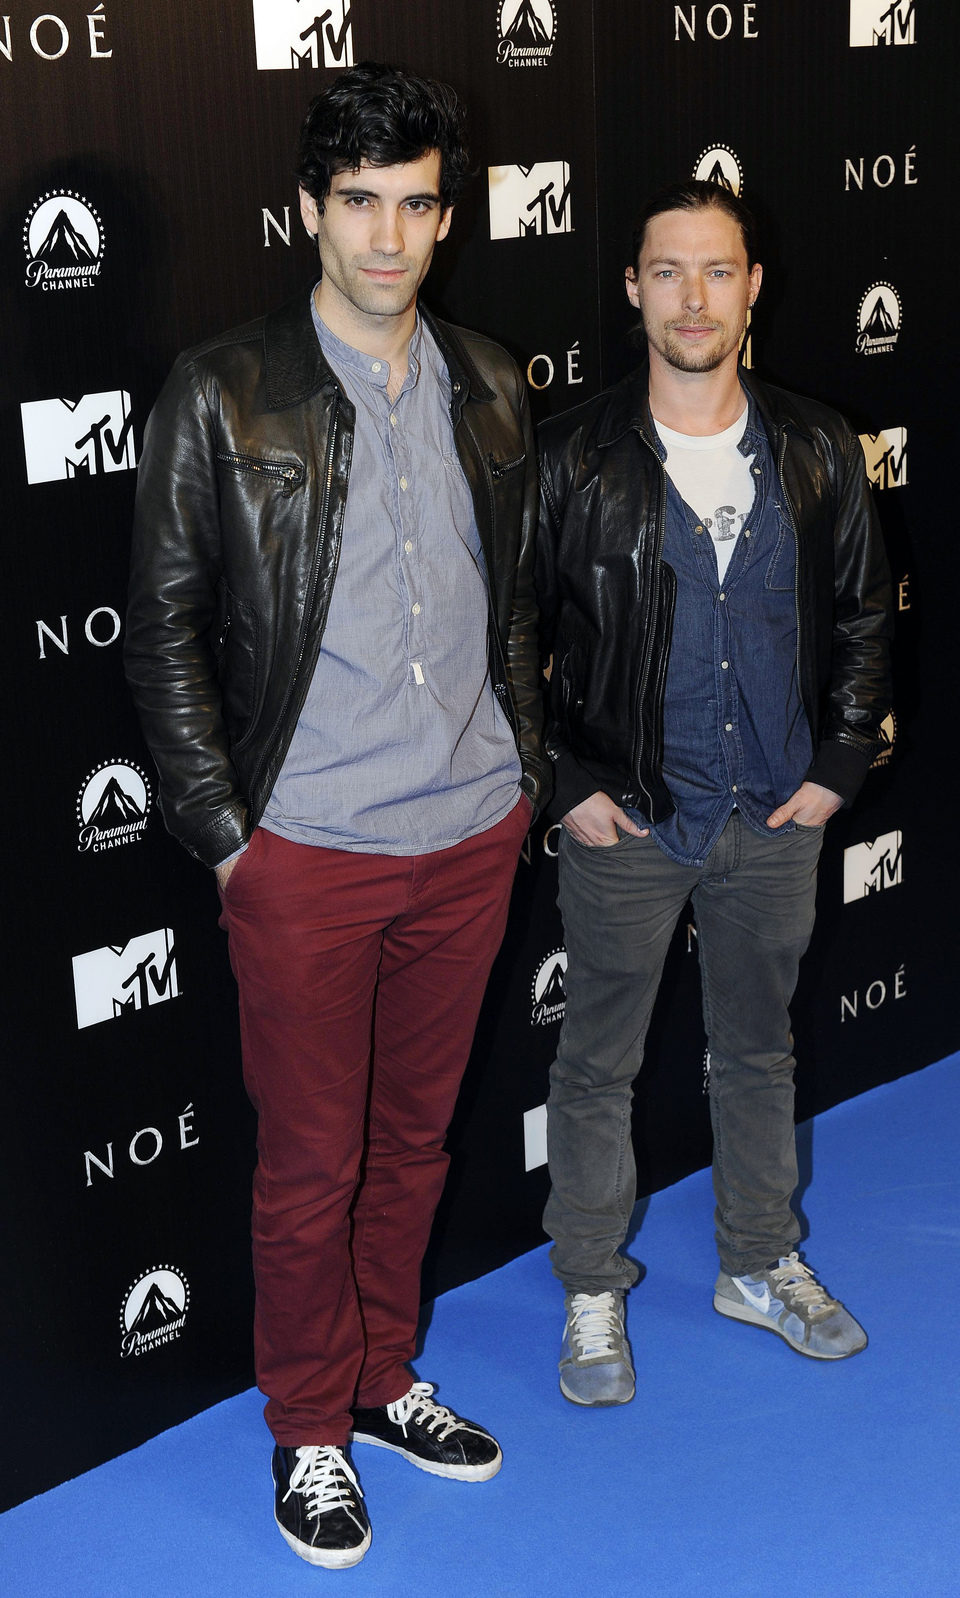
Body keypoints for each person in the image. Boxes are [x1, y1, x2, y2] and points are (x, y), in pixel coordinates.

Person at [125, 62, 546, 1568]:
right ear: (309, 208)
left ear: (446, 217)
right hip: (306, 851)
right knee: (313, 1159)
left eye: (414, 204)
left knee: (417, 1141)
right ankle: (308, 1421)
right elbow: (162, 622)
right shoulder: (223, 388)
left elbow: (513, 613)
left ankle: (380, 1379)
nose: (386, 236)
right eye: (357, 202)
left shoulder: (491, 380)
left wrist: (522, 776)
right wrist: (229, 835)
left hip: (470, 833)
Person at [535, 180, 891, 1406]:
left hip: (772, 819)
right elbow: (505, 635)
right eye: (668, 271)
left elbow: (861, 617)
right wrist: (566, 778)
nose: (695, 296)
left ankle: (759, 1259)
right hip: (626, 818)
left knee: (756, 1050)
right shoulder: (572, 455)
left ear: (753, 287)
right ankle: (589, 1281)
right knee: (595, 1064)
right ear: (632, 288)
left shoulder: (815, 444)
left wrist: (839, 765)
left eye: (718, 270)